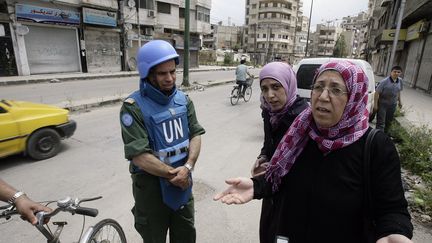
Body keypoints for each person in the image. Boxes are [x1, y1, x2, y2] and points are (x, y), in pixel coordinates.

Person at [214, 60, 413, 243]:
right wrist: (256, 186)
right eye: (318, 87)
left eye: (335, 89)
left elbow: (392, 208)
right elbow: (280, 176)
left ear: (354, 96)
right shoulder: (300, 132)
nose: (323, 96)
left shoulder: (375, 146)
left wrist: (393, 232)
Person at [120, 40, 205, 243]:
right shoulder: (133, 107)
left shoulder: (184, 100)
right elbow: (139, 156)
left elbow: (195, 134)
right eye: (162, 73)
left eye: (173, 71)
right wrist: (174, 174)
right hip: (151, 191)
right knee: (153, 237)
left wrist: (188, 167)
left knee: (186, 235)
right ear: (147, 74)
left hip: (182, 185)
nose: (170, 78)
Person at [250, 62, 308, 242]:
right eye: (264, 89)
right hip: (271, 192)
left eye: (276, 87)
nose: (270, 95)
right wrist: (263, 157)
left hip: (294, 201)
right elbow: (269, 144)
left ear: (289, 84)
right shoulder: (270, 113)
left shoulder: (303, 119)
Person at [374, 66, 403, 133]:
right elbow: (377, 92)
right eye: (394, 71)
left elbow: (398, 91)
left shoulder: (400, 81)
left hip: (393, 105)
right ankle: (378, 137)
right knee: (381, 123)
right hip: (382, 104)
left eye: (398, 72)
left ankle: (385, 137)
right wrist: (375, 105)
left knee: (388, 122)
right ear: (391, 72)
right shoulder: (384, 81)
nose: (396, 73)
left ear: (400, 73)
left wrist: (400, 102)